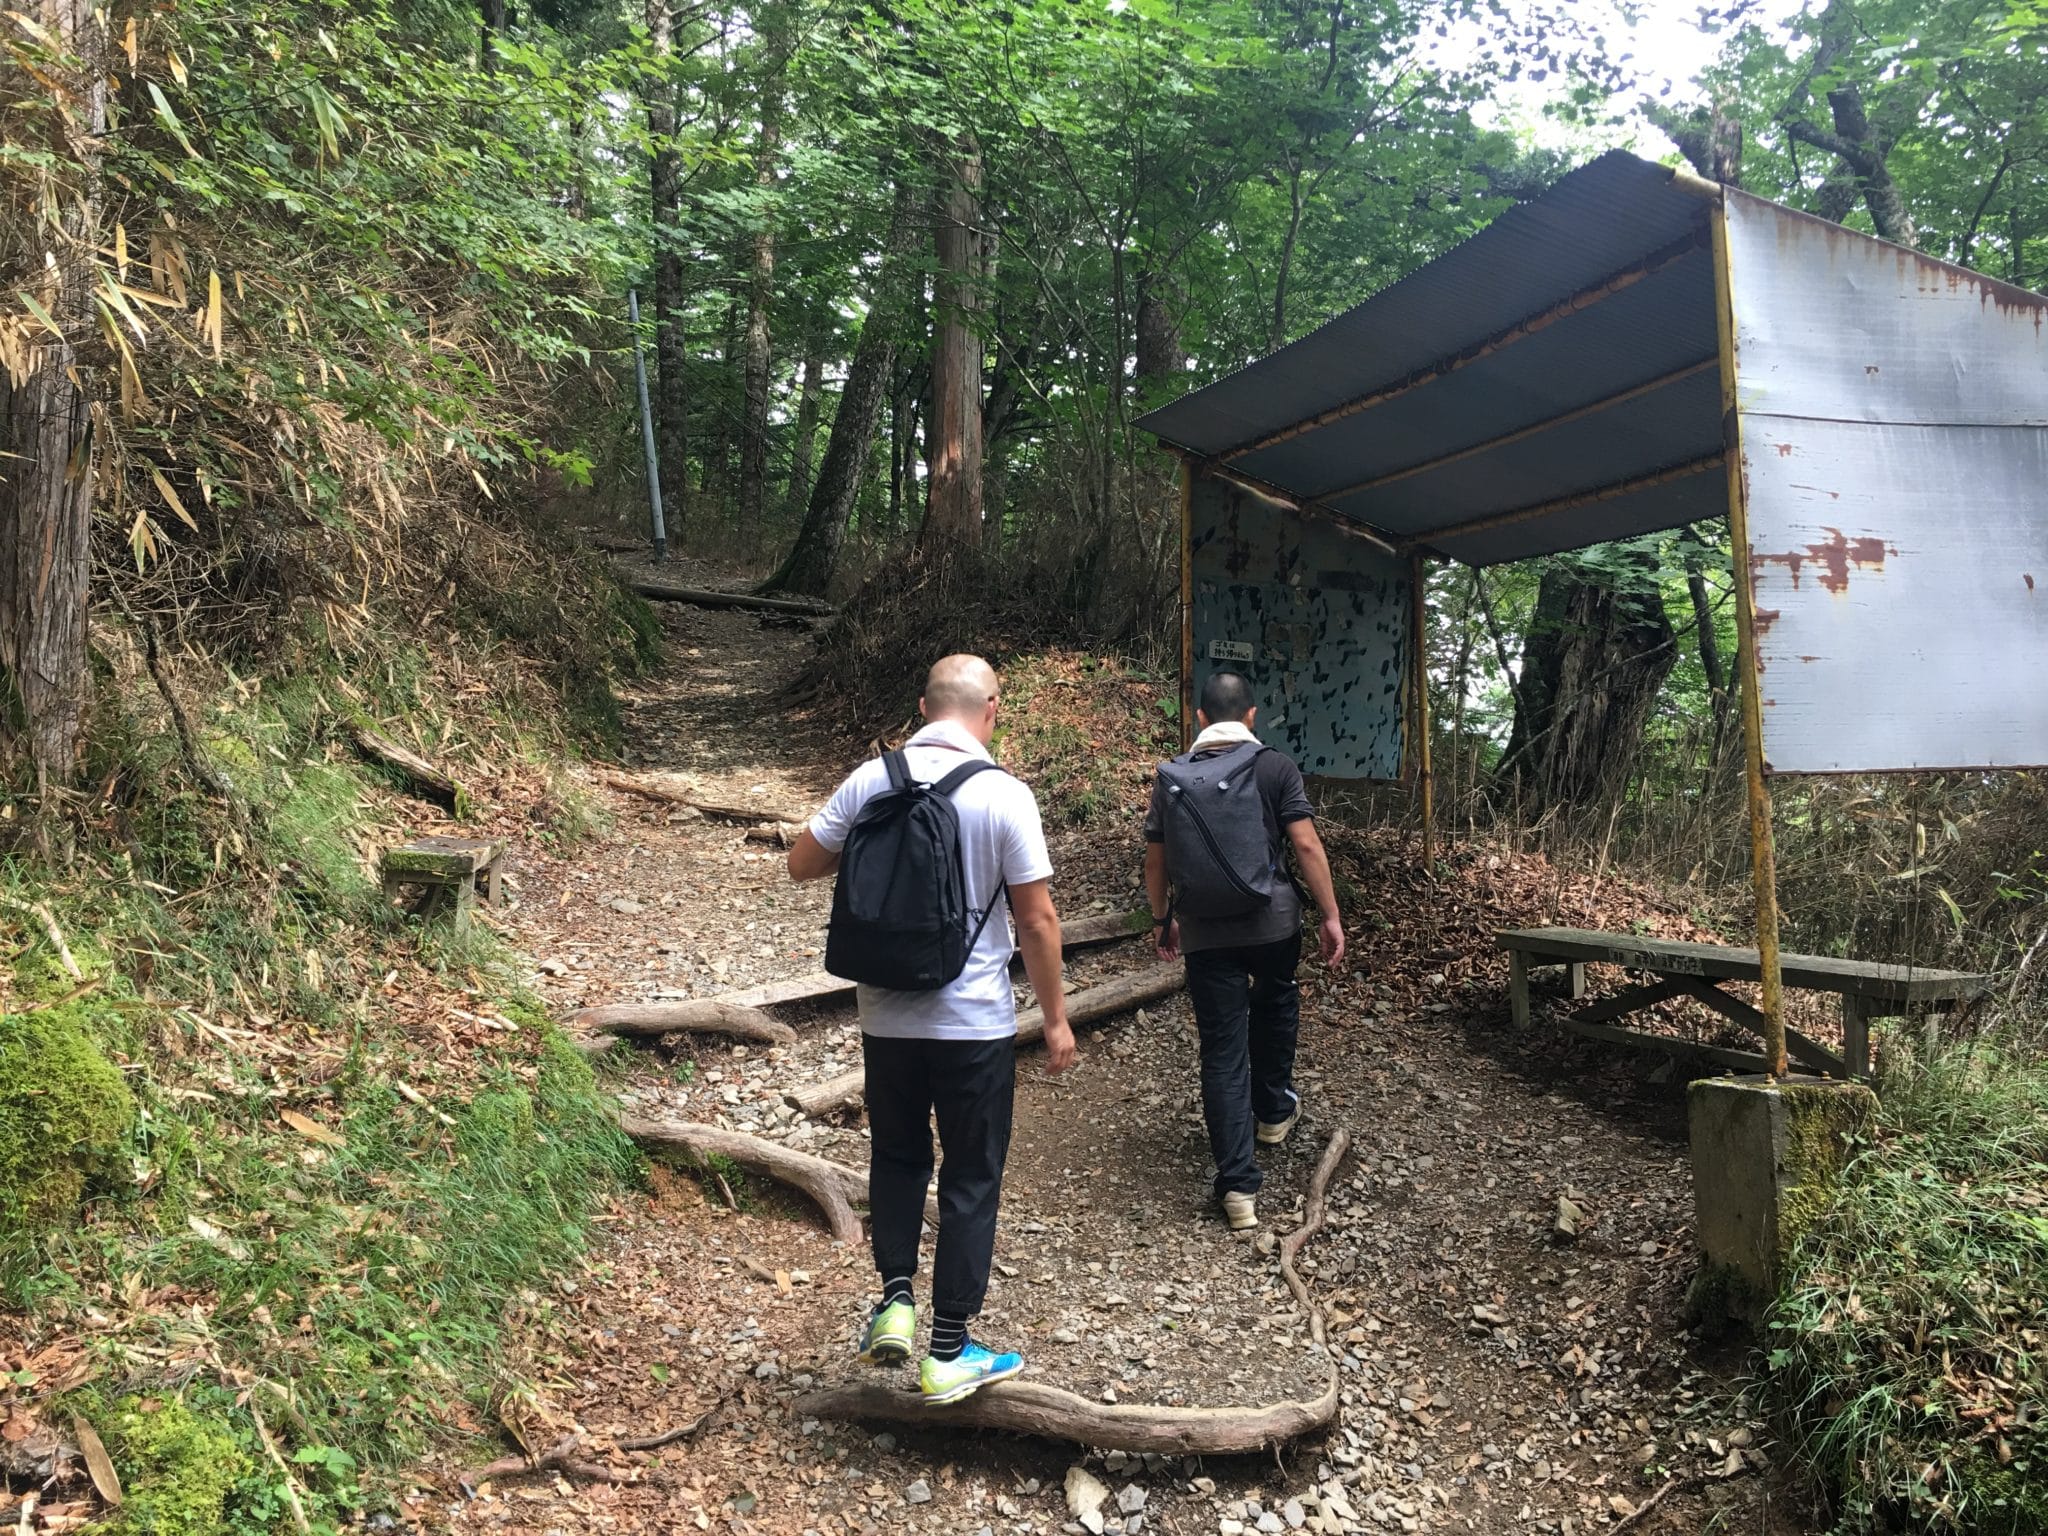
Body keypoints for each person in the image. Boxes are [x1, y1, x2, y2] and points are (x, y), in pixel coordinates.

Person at [787, 654, 1076, 1404]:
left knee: (898, 1156)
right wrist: (1054, 1018)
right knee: (971, 1174)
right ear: (992, 709)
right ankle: (948, 1350)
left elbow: (801, 863)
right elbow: (1037, 920)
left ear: (922, 706)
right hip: (974, 1022)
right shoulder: (1005, 794)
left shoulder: (871, 779)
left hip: (885, 1018)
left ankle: (894, 1301)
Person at [1143, 670, 1345, 1232]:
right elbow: (1305, 844)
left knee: (1222, 1049)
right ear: (1252, 715)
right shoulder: (1274, 766)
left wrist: (1162, 919)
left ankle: (1237, 1187)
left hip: (1206, 933)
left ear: (1200, 718)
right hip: (1273, 926)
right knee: (1277, 1001)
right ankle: (1274, 1111)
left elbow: (1156, 861)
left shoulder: (1174, 776)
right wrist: (1330, 915)